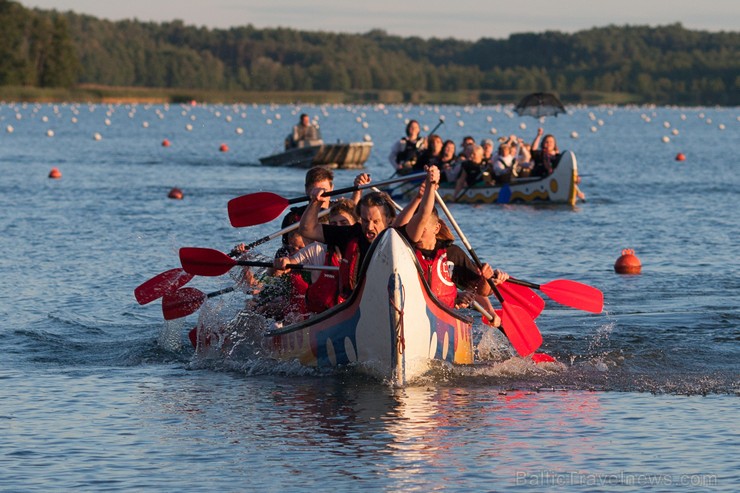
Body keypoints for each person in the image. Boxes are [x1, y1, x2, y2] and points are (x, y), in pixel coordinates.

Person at [397, 166, 508, 325]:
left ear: (436, 229)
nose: (418, 230)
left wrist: (488, 279)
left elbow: (480, 291)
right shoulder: (404, 247)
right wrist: (424, 192)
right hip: (410, 314)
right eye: (416, 226)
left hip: (442, 319)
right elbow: (405, 223)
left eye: (423, 228)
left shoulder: (452, 254)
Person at [300, 189, 397, 299]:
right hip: (357, 301)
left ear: (389, 220)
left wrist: (419, 198)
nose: (369, 227)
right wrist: (316, 202)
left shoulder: (399, 236)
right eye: (365, 221)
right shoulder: (351, 234)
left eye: (375, 221)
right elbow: (307, 229)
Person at [274, 199, 360, 313]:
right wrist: (282, 262)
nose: (339, 228)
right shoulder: (316, 250)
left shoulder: (365, 250)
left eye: (344, 223)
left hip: (354, 312)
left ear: (355, 226)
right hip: (320, 316)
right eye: (334, 224)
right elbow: (290, 261)